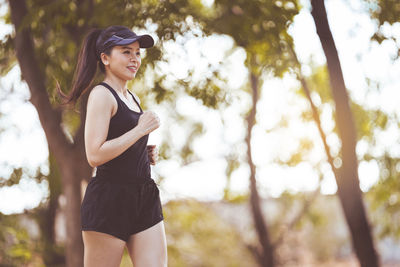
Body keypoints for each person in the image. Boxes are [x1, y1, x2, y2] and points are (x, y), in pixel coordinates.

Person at [58, 25, 167, 267]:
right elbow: (94, 154)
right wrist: (139, 130)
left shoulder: (133, 97)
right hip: (110, 200)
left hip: (144, 196)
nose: (134, 59)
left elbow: (119, 141)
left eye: (138, 53)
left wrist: (142, 150)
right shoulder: (102, 94)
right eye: (126, 52)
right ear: (105, 58)